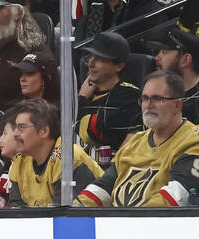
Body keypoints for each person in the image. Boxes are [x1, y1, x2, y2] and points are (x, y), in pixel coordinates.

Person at [77, 71, 199, 207]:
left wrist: (127, 223)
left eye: (157, 99)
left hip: (156, 225)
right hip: (119, 223)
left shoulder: (194, 141)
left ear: (177, 105)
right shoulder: (135, 142)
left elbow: (175, 199)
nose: (148, 105)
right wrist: (76, 210)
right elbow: (102, 188)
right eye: (145, 98)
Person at [0, 99, 103, 207]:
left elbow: (64, 215)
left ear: (44, 131)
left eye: (21, 127)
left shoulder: (67, 156)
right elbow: (16, 211)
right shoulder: (20, 159)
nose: (15, 133)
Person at [76, 31, 143, 157]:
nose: (91, 64)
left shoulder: (129, 95)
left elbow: (89, 134)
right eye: (91, 56)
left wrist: (82, 100)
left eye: (100, 59)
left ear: (119, 66)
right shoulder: (84, 93)